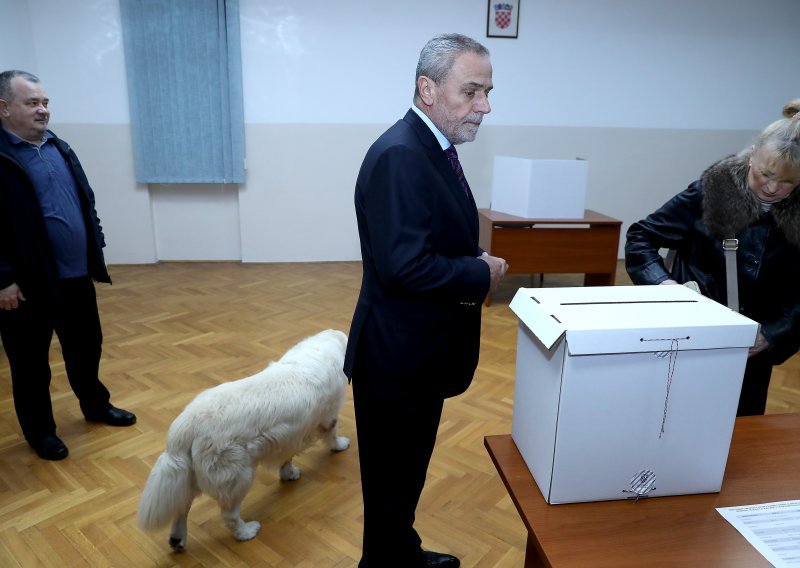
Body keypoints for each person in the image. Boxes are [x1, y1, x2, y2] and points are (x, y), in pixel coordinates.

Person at [343, 34, 508, 567]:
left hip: (417, 354)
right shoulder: (401, 155)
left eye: (487, 92)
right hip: (397, 359)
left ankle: (398, 554)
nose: (483, 106)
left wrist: (468, 257)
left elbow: (427, 239)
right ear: (427, 88)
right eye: (472, 91)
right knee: (392, 479)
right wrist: (479, 273)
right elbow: (405, 266)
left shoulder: (431, 148)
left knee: (402, 479)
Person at [626, 98, 800, 417]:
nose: (773, 188)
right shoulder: (710, 192)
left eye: (788, 181)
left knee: (740, 436)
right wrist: (663, 284)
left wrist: (773, 334)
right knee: (671, 420)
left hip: (755, 352)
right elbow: (641, 238)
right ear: (752, 157)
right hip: (690, 338)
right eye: (765, 173)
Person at [0, 70, 136, 461]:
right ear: (5, 108)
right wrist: (2, 280)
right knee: (30, 366)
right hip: (25, 285)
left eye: (45, 102)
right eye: (32, 103)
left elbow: (83, 199)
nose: (43, 110)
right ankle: (40, 433)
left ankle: (95, 406)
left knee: (86, 347)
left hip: (74, 276)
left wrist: (95, 239)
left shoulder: (59, 147)